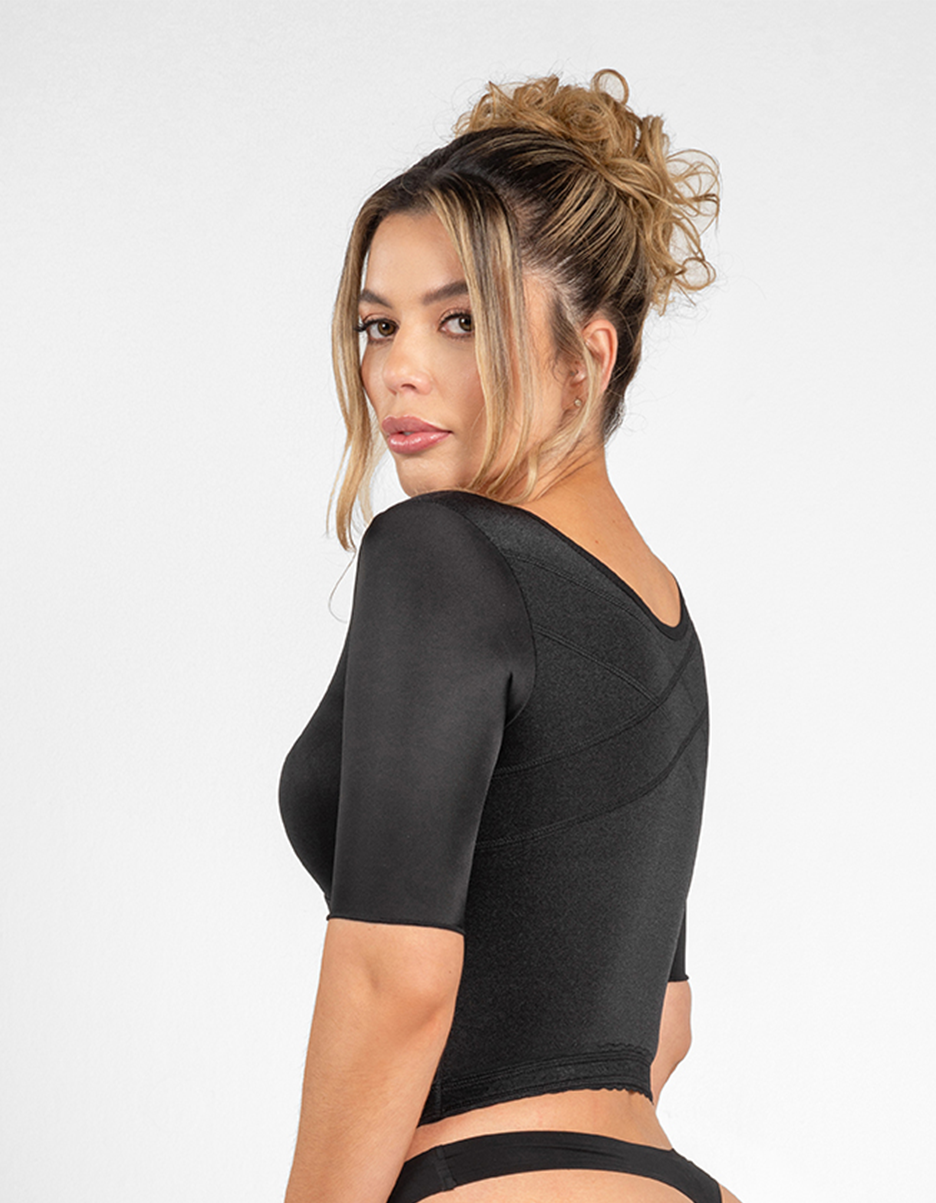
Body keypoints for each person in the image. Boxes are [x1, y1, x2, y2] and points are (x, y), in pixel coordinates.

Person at [279, 69, 742, 1203]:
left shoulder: (439, 554)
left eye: (460, 320)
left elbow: (393, 980)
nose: (399, 367)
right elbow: (664, 1021)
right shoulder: (664, 626)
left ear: (589, 358)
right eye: (379, 325)